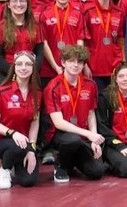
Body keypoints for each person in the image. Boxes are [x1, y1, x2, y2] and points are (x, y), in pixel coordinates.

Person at [43, 45, 105, 182]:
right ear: (63, 63)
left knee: (97, 172)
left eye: (80, 62)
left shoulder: (90, 85)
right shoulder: (53, 87)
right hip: (60, 135)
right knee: (72, 140)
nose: (75, 65)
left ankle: (72, 162)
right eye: (71, 61)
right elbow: (58, 123)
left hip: (82, 135)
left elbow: (91, 113)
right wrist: (88, 134)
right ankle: (61, 165)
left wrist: (94, 137)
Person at [0, 51, 41, 189]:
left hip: (24, 144)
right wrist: (13, 133)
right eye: (19, 64)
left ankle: (15, 164)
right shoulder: (1, 92)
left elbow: (35, 123)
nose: (23, 68)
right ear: (14, 67)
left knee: (28, 181)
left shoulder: (37, 93)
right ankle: (5, 169)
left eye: (28, 64)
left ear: (33, 68)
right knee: (16, 145)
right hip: (1, 142)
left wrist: (31, 150)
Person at [0, 0, 46, 98]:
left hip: (31, 74)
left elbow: (40, 52)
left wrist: (31, 70)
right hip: (6, 75)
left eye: (22, 1)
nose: (19, 4)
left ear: (27, 4)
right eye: (15, 1)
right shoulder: (0, 27)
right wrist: (15, 73)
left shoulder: (36, 27)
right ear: (8, 5)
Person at [83, 0, 123, 90]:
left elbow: (121, 40)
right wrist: (85, 65)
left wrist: (122, 62)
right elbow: (84, 41)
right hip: (94, 66)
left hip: (114, 66)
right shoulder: (87, 11)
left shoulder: (119, 12)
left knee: (114, 103)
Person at [39, 0, 85, 81]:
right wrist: (55, 66)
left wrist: (75, 62)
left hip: (72, 67)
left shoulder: (77, 14)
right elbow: (44, 42)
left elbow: (80, 40)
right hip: (50, 68)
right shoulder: (45, 14)